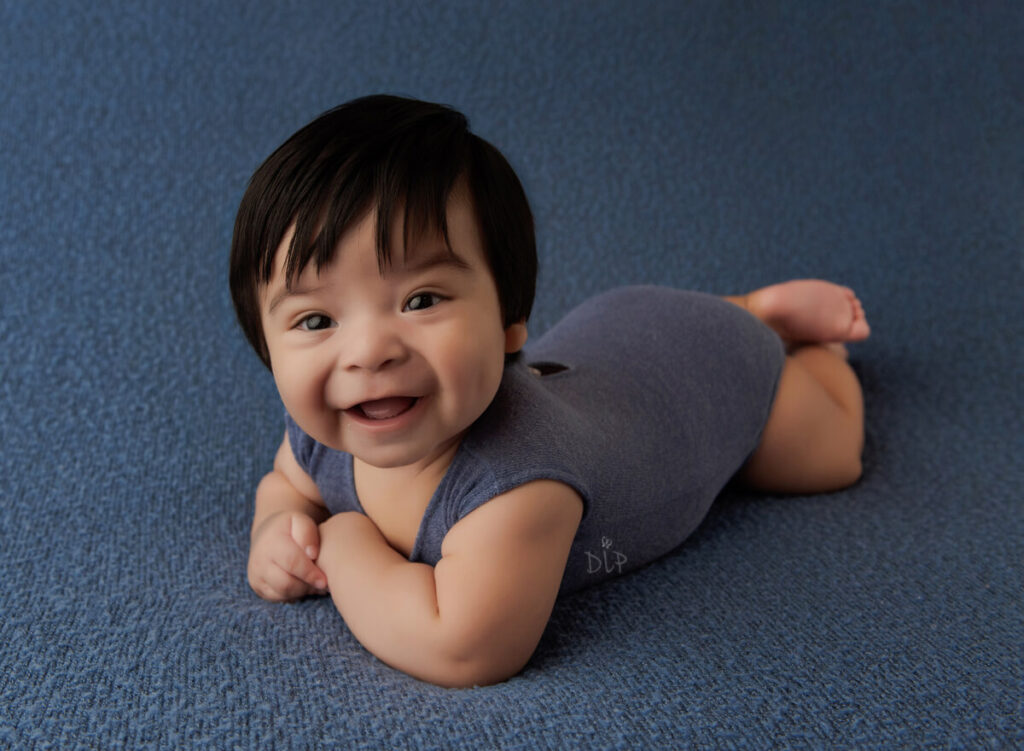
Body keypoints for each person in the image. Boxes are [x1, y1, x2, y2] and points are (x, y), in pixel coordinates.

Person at [229, 95, 870, 687]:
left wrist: (342, 543)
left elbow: (465, 646)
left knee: (825, 459)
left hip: (710, 370)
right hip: (619, 333)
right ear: (265, 343)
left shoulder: (517, 484)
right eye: (316, 320)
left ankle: (803, 346)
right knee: (641, 343)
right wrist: (276, 528)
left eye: (421, 300)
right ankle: (757, 303)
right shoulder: (326, 432)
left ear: (509, 323)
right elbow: (285, 484)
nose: (370, 352)